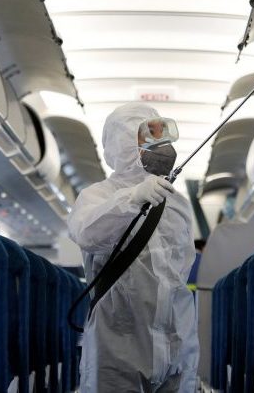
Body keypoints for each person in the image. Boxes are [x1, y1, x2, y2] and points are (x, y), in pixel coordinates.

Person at [67, 103, 199, 392]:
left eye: (160, 134)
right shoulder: (97, 195)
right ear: (123, 141)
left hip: (176, 341)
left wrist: (187, 346)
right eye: (148, 134)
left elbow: (181, 272)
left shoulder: (177, 203)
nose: (160, 144)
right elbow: (87, 234)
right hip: (118, 342)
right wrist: (132, 199)